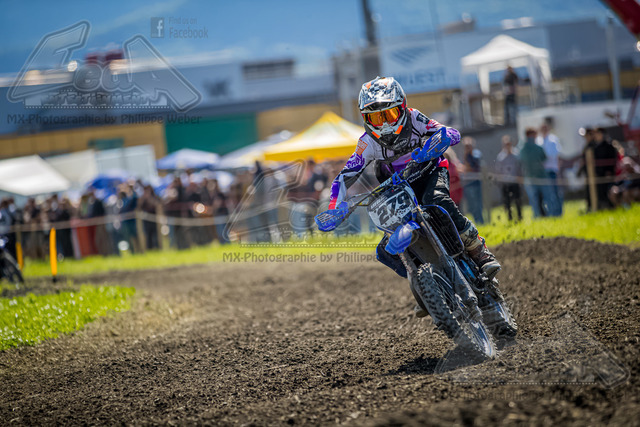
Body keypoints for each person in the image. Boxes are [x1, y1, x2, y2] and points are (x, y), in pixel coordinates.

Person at [323, 76, 500, 281]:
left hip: (430, 171)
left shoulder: (414, 118)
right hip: (397, 188)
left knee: (436, 201)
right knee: (385, 249)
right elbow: (344, 176)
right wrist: (334, 207)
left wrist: (437, 142)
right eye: (377, 118)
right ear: (365, 119)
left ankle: (478, 249)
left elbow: (451, 132)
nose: (385, 124)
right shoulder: (367, 143)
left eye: (389, 114)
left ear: (402, 107)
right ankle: (424, 279)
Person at [519, 128, 559, 218]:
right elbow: (544, 158)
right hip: (541, 177)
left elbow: (520, 161)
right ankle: (551, 216)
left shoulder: (522, 149)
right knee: (547, 198)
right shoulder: (538, 148)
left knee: (534, 200)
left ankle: (538, 216)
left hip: (530, 177)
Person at [536, 123, 562, 216]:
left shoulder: (553, 140)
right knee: (545, 194)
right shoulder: (538, 141)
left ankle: (557, 212)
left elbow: (553, 155)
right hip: (542, 171)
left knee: (554, 192)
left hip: (551, 169)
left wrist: (542, 158)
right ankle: (550, 212)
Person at [495, 135, 523, 221]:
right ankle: (510, 218)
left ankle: (519, 217)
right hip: (505, 183)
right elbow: (498, 171)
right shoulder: (500, 157)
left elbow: (520, 167)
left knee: (518, 200)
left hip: (515, 182)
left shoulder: (516, 154)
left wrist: (521, 178)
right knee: (507, 202)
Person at [593, 128, 618, 210]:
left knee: (609, 190)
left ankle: (612, 207)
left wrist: (609, 171)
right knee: (600, 191)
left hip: (608, 173)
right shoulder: (596, 147)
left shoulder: (609, 145)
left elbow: (612, 160)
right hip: (599, 174)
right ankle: (603, 207)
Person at [461, 137, 485, 224]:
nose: (467, 148)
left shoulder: (476, 154)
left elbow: (471, 167)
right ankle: (476, 221)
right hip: (468, 184)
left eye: (468, 146)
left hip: (476, 182)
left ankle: (480, 221)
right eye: (465, 146)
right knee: (471, 205)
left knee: (478, 204)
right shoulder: (465, 156)